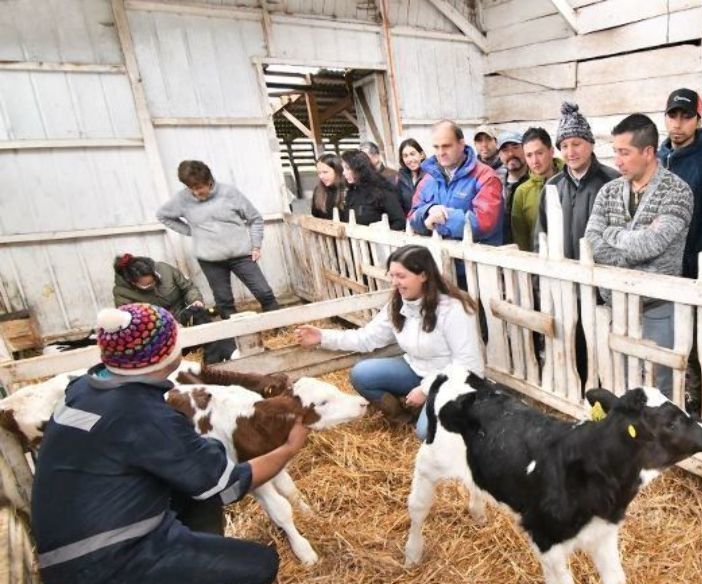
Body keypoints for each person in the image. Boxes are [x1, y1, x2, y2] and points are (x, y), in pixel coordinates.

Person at [32, 303, 309, 584]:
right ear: (164, 354)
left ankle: (182, 565)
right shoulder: (143, 416)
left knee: (198, 491)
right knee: (258, 566)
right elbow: (227, 485)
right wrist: (289, 448)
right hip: (102, 565)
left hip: (67, 549)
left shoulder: (85, 388)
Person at [293, 245, 483, 436]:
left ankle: (429, 415)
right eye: (392, 275)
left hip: (450, 380)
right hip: (416, 369)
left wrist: (425, 389)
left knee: (425, 433)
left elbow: (468, 365)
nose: (394, 282)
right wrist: (323, 337)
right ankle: (405, 418)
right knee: (362, 374)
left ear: (424, 275)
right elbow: (367, 338)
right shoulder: (398, 304)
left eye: (401, 276)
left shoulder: (453, 309)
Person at [584, 113, 693, 397]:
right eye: (615, 152)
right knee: (619, 383)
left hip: (657, 307)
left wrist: (612, 235)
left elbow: (652, 244)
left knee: (661, 388)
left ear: (647, 152)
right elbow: (593, 241)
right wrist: (630, 246)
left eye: (624, 152)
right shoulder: (608, 191)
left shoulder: (677, 191)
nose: (617, 160)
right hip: (616, 305)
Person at [156, 160, 280, 319]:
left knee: (264, 293)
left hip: (241, 255)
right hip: (210, 260)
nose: (196, 192)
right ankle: (235, 339)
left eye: (199, 187)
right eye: (191, 188)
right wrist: (191, 231)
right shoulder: (182, 199)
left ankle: (279, 328)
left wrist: (256, 246)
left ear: (209, 181)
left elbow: (255, 218)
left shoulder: (229, 193)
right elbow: (163, 215)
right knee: (224, 302)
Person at [409, 120, 504, 285]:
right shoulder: (428, 179)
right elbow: (412, 217)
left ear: (461, 144)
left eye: (446, 146)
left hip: (476, 273)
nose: (440, 152)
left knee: (476, 311)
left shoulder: (486, 176)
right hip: (438, 268)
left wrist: (440, 218)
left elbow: (485, 222)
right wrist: (428, 211)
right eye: (436, 147)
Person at [658, 89, 702, 279]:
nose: (678, 124)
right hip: (654, 265)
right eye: (672, 115)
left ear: (698, 121)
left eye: (686, 116)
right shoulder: (656, 159)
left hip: (689, 272)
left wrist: (694, 262)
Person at [112, 254, 236, 364]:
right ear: (132, 282)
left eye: (154, 280)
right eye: (147, 285)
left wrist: (195, 301)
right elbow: (134, 322)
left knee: (199, 314)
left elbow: (188, 288)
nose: (153, 285)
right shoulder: (122, 294)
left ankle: (214, 359)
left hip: (181, 314)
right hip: (158, 328)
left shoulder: (165, 269)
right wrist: (165, 324)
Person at [537, 103, 620, 260]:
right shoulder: (552, 187)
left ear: (591, 144)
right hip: (561, 278)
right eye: (564, 146)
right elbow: (540, 237)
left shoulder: (613, 182)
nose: (570, 152)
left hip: (600, 277)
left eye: (576, 144)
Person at [510, 127, 564, 252]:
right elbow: (520, 239)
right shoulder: (522, 192)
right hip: (537, 263)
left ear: (551, 151)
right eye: (529, 155)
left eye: (539, 153)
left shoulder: (570, 181)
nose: (535, 161)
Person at [342, 150, 406, 230]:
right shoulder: (351, 192)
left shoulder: (382, 190)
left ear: (359, 169)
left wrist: (382, 232)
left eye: (348, 168)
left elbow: (400, 221)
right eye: (343, 169)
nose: (344, 173)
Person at [497, 130, 529, 244]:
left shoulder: (536, 181)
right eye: (505, 150)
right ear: (499, 156)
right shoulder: (495, 184)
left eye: (515, 147)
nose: (511, 154)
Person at [397, 138, 428, 219]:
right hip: (407, 226)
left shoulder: (431, 176)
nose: (410, 159)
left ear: (421, 155)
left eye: (412, 154)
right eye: (405, 156)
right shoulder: (400, 178)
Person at [311, 152, 347, 221]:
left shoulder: (347, 189)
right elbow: (315, 215)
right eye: (319, 173)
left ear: (337, 170)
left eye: (325, 172)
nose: (321, 176)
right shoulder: (318, 190)